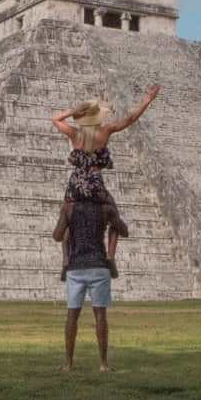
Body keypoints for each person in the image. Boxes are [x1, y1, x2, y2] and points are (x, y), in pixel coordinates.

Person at [50, 85, 160, 280]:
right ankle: (110, 257)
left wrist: (72, 112)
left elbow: (54, 119)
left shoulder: (75, 134)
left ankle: (66, 260)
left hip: (76, 183)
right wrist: (147, 99)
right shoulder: (106, 131)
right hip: (95, 183)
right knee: (113, 216)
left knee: (67, 219)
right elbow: (130, 118)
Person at [52, 191, 129, 372]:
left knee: (72, 316)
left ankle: (68, 364)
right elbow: (124, 230)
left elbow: (57, 236)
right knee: (100, 316)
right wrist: (113, 217)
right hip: (99, 266)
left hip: (75, 267)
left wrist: (66, 217)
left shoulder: (69, 207)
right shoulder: (104, 207)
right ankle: (103, 364)